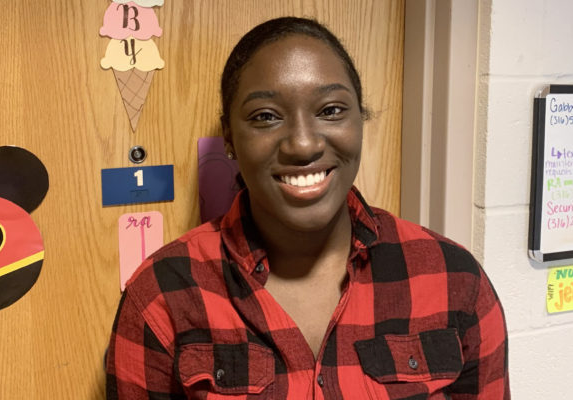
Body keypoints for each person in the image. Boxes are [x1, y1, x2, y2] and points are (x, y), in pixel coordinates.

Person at [106, 17, 509, 399]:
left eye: (331, 110)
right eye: (266, 117)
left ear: (360, 120)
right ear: (230, 137)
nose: (303, 144)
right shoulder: (163, 295)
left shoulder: (454, 280)